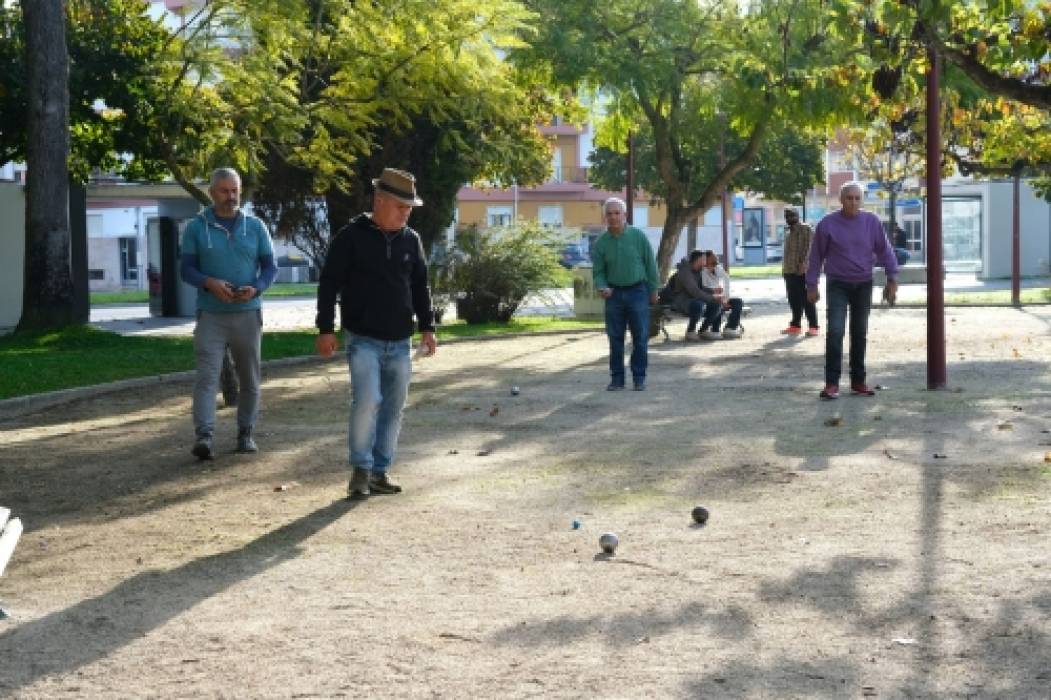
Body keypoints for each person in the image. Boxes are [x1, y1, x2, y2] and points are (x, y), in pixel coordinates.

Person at [315, 168, 437, 501]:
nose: (406, 212)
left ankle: (380, 472)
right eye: (400, 206)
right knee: (368, 401)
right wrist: (325, 328)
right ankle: (360, 471)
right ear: (379, 200)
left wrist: (428, 326)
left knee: (394, 408)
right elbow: (329, 284)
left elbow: (419, 286)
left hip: (400, 341)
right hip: (363, 339)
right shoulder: (350, 237)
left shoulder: (411, 240)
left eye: (409, 207)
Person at [180, 168, 278, 459]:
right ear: (212, 192)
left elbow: (270, 267)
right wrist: (209, 283)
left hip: (248, 313)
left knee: (249, 378)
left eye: (235, 190)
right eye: (224, 191)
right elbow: (186, 269)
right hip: (211, 314)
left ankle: (245, 433)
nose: (231, 197)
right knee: (207, 378)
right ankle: (204, 437)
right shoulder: (197, 227)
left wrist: (257, 287)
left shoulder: (256, 226)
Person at [806, 182, 899, 400]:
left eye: (857, 198)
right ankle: (831, 384)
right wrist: (812, 285)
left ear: (862, 200)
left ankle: (858, 381)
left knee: (859, 333)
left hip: (863, 283)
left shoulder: (871, 222)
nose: (853, 202)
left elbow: (885, 250)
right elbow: (816, 256)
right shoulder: (827, 224)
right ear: (841, 199)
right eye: (849, 198)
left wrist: (892, 278)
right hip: (837, 283)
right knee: (835, 331)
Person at [591, 197, 659, 390]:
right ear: (605, 217)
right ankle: (617, 379)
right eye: (609, 214)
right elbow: (598, 271)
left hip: (638, 291)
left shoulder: (638, 236)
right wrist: (602, 286)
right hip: (613, 295)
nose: (613, 217)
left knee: (640, 337)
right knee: (615, 338)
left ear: (625, 215)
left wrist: (654, 289)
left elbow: (650, 263)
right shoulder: (602, 242)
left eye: (617, 213)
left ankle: (639, 377)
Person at [781, 208, 819, 336]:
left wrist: (805, 264)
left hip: (802, 271)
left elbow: (810, 247)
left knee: (807, 298)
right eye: (787, 216)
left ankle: (813, 326)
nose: (789, 218)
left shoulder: (805, 229)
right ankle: (795, 325)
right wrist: (784, 270)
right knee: (793, 299)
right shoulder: (788, 232)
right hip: (789, 270)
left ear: (797, 216)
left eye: (792, 215)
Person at [669, 249, 722, 341]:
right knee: (699, 305)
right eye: (704, 260)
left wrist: (713, 291)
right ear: (698, 260)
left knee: (717, 304)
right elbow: (694, 291)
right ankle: (690, 331)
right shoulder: (684, 271)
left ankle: (703, 330)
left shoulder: (698, 271)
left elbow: (700, 288)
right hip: (681, 301)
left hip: (694, 299)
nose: (705, 263)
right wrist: (712, 297)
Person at [700, 251, 744, 338]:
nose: (716, 259)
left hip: (721, 298)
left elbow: (726, 279)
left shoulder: (717, 268)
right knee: (718, 304)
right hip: (710, 299)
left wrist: (726, 299)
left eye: (716, 257)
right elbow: (704, 288)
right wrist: (719, 297)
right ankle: (714, 329)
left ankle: (730, 327)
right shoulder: (702, 272)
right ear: (707, 259)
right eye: (713, 257)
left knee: (738, 302)